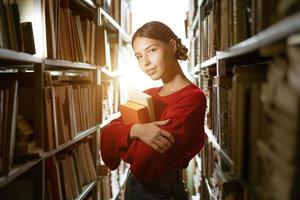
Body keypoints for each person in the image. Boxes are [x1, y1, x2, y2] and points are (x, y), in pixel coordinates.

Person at [100, 21, 206, 200]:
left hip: (160, 192)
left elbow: (146, 161)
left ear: (172, 46)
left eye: (151, 50)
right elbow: (106, 138)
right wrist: (136, 130)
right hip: (133, 186)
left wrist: (123, 137)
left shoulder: (192, 98)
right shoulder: (147, 94)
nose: (145, 62)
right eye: (139, 56)